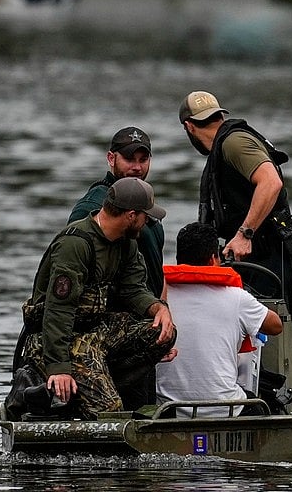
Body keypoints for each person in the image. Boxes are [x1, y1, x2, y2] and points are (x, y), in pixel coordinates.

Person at [12, 177, 177, 420]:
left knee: (163, 333)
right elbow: (58, 311)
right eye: (146, 216)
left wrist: (158, 308)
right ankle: (44, 386)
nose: (148, 222)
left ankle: (91, 384)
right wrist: (59, 368)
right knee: (109, 412)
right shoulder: (76, 244)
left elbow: (133, 290)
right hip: (61, 340)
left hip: (96, 333)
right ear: (131, 215)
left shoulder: (126, 243)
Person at [178, 90, 292, 343]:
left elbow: (271, 182)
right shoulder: (224, 146)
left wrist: (244, 233)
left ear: (189, 127)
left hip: (269, 257)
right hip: (258, 257)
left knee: (270, 337)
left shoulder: (233, 143)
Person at [156, 222, 283, 417]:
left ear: (178, 259)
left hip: (169, 411)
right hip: (225, 409)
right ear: (213, 259)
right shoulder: (237, 297)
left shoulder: (158, 298)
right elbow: (276, 326)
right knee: (265, 404)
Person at [68, 126, 166, 301]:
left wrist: (162, 307)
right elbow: (72, 269)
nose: (137, 167)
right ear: (111, 158)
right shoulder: (91, 207)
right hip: (114, 319)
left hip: (148, 311)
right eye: (129, 159)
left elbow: (157, 270)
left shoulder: (149, 209)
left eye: (143, 160)